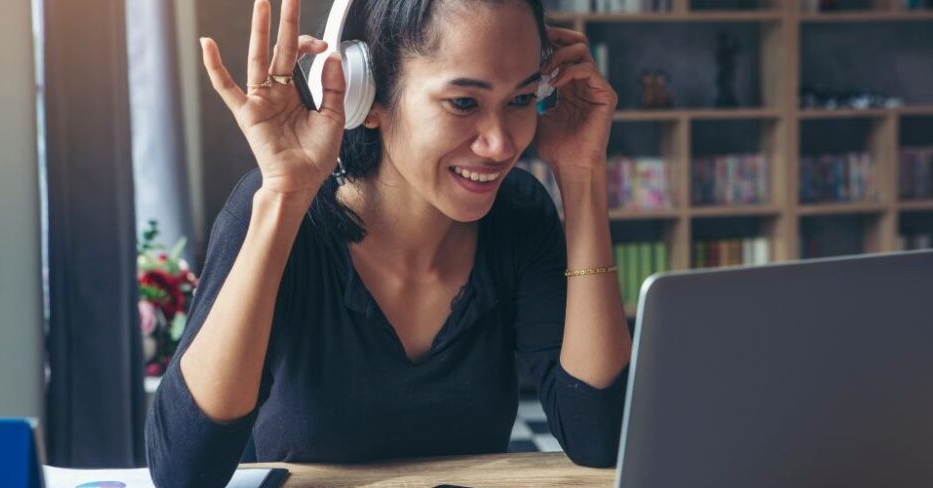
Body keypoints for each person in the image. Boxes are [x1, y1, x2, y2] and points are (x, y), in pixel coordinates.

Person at [144, 0, 631, 485]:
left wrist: (581, 174)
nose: (501, 144)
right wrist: (283, 200)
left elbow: (601, 437)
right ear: (367, 96)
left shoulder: (520, 215)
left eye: (521, 99)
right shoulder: (275, 209)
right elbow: (185, 473)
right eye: (464, 103)